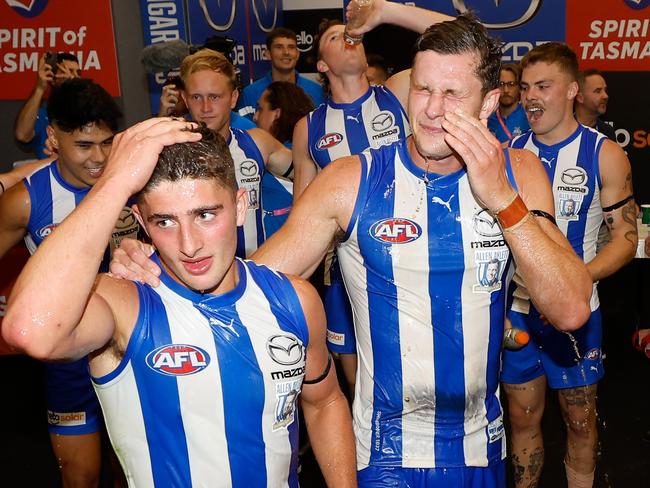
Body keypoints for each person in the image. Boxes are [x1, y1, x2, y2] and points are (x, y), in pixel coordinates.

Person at [110, 13, 593, 486]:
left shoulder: (521, 174)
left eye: (452, 94)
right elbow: (250, 283)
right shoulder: (351, 179)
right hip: (382, 452)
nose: (430, 108)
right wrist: (155, 265)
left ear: (488, 103)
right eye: (423, 89)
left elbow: (570, 307)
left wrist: (503, 201)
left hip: (480, 445)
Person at [3, 120, 357, 487]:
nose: (189, 245)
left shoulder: (294, 299)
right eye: (165, 221)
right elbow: (29, 329)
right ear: (141, 221)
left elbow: (325, 402)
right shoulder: (126, 302)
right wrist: (115, 182)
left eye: (205, 215)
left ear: (240, 206)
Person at [292, 4, 453, 395]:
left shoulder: (400, 92)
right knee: (361, 386)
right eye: (335, 36)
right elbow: (303, 216)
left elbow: (458, 38)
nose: (348, 37)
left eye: (352, 34)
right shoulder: (308, 127)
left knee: (427, 372)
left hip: (416, 255)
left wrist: (384, 12)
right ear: (322, 66)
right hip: (347, 273)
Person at [502, 42, 637, 488]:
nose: (531, 96)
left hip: (579, 313)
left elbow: (626, 237)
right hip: (519, 311)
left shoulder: (605, 153)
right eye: (525, 87)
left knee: (579, 420)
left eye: (544, 85)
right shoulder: (508, 154)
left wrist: (581, 277)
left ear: (572, 91)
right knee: (521, 420)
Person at [0, 78, 129, 487]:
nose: (99, 158)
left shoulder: (134, 183)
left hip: (130, 345)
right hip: (68, 359)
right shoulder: (26, 199)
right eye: (85, 145)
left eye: (107, 143)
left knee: (136, 470)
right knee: (81, 475)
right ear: (53, 137)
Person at [180, 48, 293, 257]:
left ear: (233, 98)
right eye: (196, 97)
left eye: (214, 97)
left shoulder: (256, 143)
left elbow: (310, 172)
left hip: (255, 276)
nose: (205, 107)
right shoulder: (169, 154)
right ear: (185, 99)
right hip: (195, 280)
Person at [253, 81, 314, 238]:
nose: (255, 116)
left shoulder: (267, 166)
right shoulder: (314, 151)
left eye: (260, 109)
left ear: (276, 114)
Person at [236, 27, 325, 121]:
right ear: (268, 54)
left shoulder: (316, 91)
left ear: (298, 54)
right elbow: (244, 131)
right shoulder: (250, 94)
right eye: (279, 47)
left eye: (291, 47)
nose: (286, 52)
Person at [14, 52, 81, 159]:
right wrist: (40, 87)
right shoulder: (44, 115)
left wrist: (74, 88)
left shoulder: (89, 111)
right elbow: (22, 135)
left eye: (78, 73)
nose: (73, 77)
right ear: (53, 78)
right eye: (67, 71)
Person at [487, 63, 529, 143]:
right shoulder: (488, 120)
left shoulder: (529, 116)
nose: (506, 90)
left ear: (520, 87)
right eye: (501, 84)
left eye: (511, 84)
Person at [575, 69, 616, 141]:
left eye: (605, 90)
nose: (606, 96)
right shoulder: (562, 130)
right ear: (580, 98)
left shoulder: (607, 131)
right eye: (598, 91)